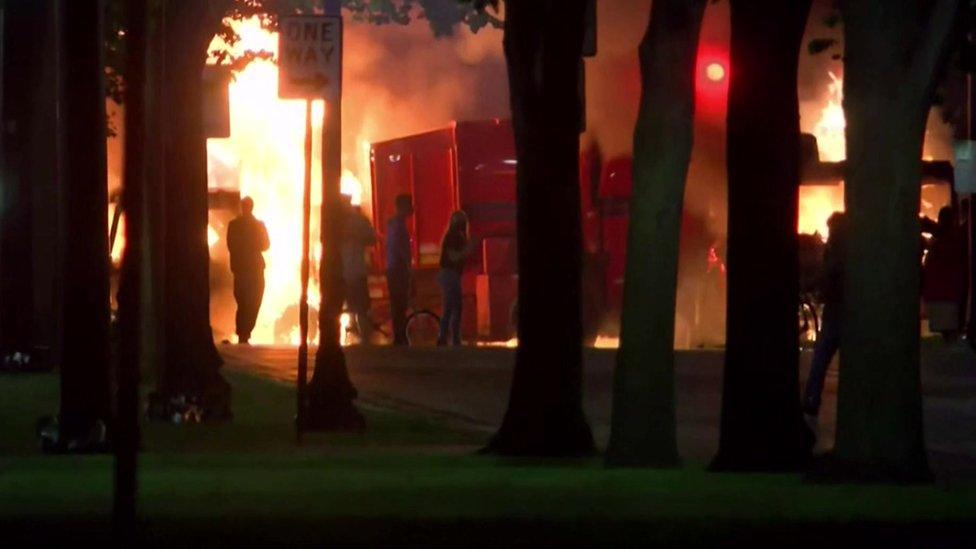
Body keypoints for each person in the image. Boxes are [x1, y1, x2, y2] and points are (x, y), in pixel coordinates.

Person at [802, 212, 847, 424]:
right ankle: (811, 399)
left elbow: (826, 276)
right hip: (840, 312)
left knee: (820, 359)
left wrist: (811, 285)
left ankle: (811, 400)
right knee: (820, 359)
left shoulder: (837, 253)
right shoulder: (840, 251)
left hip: (837, 314)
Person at [226, 196, 270, 344]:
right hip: (250, 268)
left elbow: (266, 245)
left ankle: (244, 332)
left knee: (246, 302)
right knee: (249, 301)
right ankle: (244, 333)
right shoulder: (254, 225)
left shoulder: (235, 225)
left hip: (244, 268)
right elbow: (264, 245)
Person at [923, 206, 967, 342]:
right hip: (950, 295)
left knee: (941, 337)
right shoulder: (955, 239)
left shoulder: (939, 241)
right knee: (948, 336)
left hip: (937, 295)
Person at [341, 195, 377, 343]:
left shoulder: (334, 222)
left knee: (347, 306)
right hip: (356, 271)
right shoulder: (358, 221)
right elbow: (372, 238)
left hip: (341, 273)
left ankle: (353, 330)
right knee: (361, 307)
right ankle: (365, 339)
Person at [437, 211, 475, 346]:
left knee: (450, 307)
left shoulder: (452, 235)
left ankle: (444, 337)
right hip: (450, 274)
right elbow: (454, 257)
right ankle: (453, 339)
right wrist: (468, 249)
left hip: (448, 274)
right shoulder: (454, 236)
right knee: (455, 307)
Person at [386, 194, 414, 345]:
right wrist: (409, 266)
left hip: (393, 268)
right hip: (398, 269)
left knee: (397, 304)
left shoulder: (393, 224)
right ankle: (399, 337)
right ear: (403, 207)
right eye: (409, 205)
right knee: (399, 304)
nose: (412, 208)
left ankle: (399, 336)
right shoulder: (398, 225)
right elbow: (399, 248)